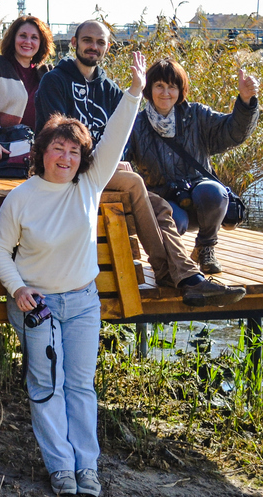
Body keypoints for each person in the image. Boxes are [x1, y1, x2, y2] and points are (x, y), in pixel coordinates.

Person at [0, 51, 145, 497]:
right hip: (37, 305)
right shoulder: (22, 197)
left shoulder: (89, 187)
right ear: (42, 152)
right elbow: (0, 248)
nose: (66, 156)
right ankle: (60, 466)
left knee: (80, 385)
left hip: (81, 301)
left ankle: (87, 468)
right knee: (45, 385)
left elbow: (114, 138)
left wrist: (133, 93)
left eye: (74, 150)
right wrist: (17, 289)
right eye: (58, 147)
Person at [35, 21, 244, 306]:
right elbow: (52, 134)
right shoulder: (54, 81)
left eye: (100, 42)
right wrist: (104, 160)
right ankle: (172, 274)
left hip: (97, 171)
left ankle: (184, 277)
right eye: (87, 40)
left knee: (160, 207)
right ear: (74, 43)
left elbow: (119, 135)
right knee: (135, 183)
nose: (93, 46)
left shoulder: (109, 89)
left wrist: (116, 159)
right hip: (61, 167)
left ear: (107, 47)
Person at [126, 57, 260, 275]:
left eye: (172, 87)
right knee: (173, 220)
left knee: (214, 192)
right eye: (159, 86)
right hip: (164, 199)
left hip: (201, 197)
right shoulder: (136, 123)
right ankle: (173, 258)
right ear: (148, 88)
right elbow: (119, 156)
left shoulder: (197, 115)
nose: (165, 93)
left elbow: (232, 132)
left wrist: (246, 102)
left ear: (181, 90)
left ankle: (205, 248)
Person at [0, 16, 54, 177]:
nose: (28, 41)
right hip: (0, 155)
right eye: (23, 35)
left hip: (33, 161)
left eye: (34, 37)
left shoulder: (46, 74)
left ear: (41, 43)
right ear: (13, 38)